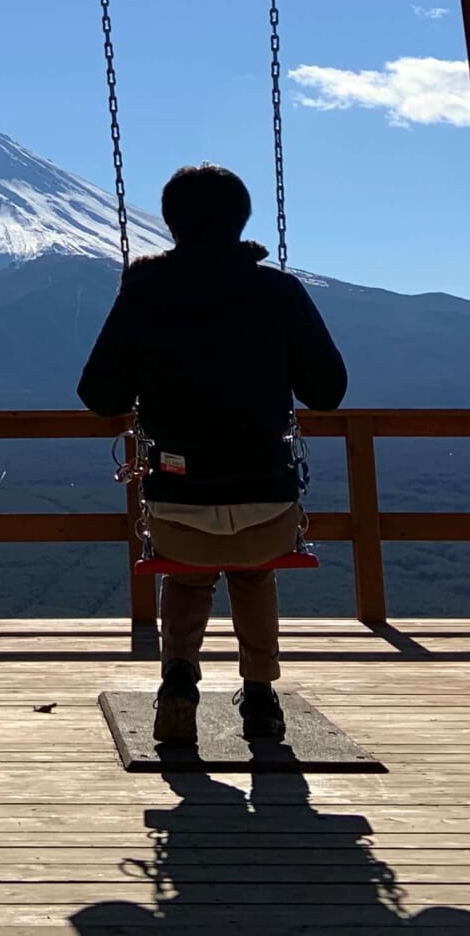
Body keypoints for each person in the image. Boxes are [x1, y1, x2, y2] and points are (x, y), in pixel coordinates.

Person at [78, 162, 347, 746]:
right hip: (267, 502)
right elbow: (327, 392)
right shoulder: (277, 291)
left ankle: (178, 679)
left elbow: (100, 396)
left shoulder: (146, 291)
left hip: (178, 504)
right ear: (242, 220)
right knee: (254, 571)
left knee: (188, 572)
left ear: (171, 222)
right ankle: (259, 696)